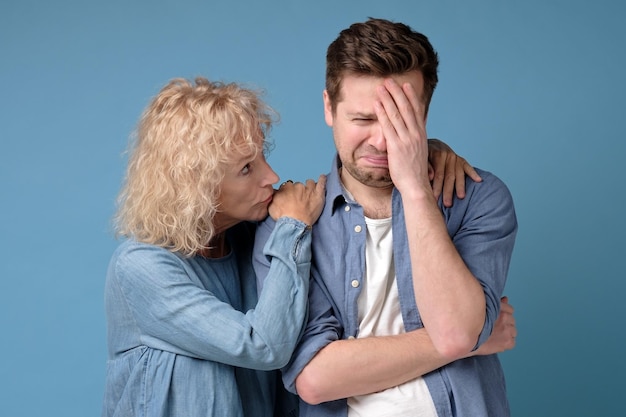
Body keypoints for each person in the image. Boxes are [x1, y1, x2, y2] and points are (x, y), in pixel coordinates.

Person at [101, 76, 474, 417]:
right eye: (247, 168)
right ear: (196, 187)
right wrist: (456, 341)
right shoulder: (140, 269)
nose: (272, 177)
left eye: (263, 156)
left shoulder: (255, 236)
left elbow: (352, 180)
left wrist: (426, 155)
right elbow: (262, 346)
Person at [253, 18, 518, 417]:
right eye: (363, 120)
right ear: (329, 107)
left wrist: (413, 187)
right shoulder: (288, 223)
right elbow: (315, 377)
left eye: (399, 121)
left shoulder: (477, 198)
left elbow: (456, 328)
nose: (381, 141)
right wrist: (467, 340)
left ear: (424, 114)